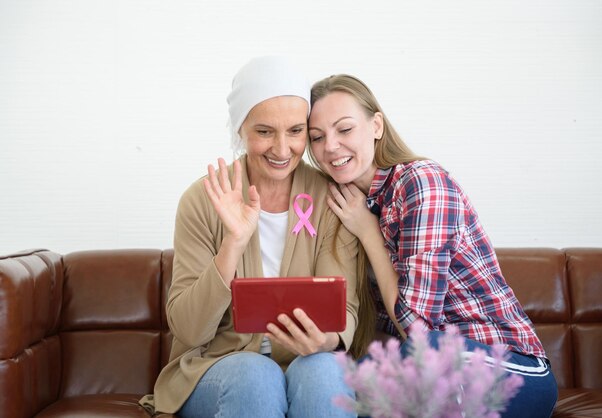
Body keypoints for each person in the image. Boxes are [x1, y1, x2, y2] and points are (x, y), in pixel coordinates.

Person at [306, 74, 558, 418]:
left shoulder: (421, 182)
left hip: (514, 370)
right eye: (317, 137)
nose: (330, 146)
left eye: (344, 129)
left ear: (376, 125)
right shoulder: (348, 205)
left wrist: (369, 233)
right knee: (335, 377)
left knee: (420, 358)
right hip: (432, 370)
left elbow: (417, 328)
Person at [139, 57, 361, 418]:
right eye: (264, 131)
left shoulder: (331, 196)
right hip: (219, 368)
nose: (282, 148)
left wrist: (327, 340)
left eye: (295, 131)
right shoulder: (200, 201)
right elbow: (189, 328)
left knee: (325, 370)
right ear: (240, 129)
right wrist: (234, 242)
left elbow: (344, 308)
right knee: (256, 375)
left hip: (305, 363)